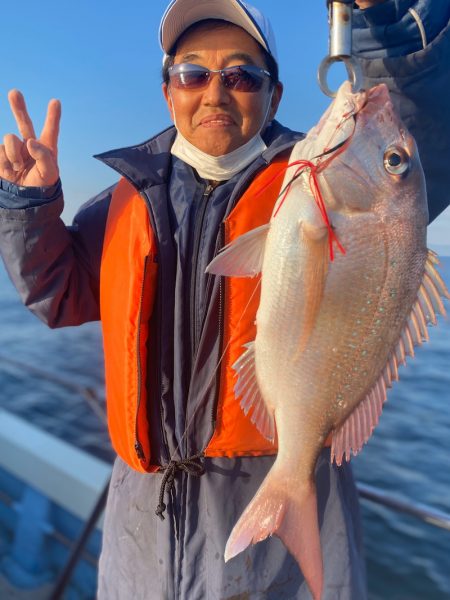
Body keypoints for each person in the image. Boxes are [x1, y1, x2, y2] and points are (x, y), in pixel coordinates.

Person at [0, 1, 449, 598]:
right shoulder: (121, 202)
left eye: (241, 75)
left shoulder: (314, 177)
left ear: (276, 96)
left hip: (274, 531)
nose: (215, 91)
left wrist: (388, 21)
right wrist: (29, 212)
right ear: (168, 92)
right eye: (193, 74)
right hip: (140, 530)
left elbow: (413, 122)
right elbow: (59, 297)